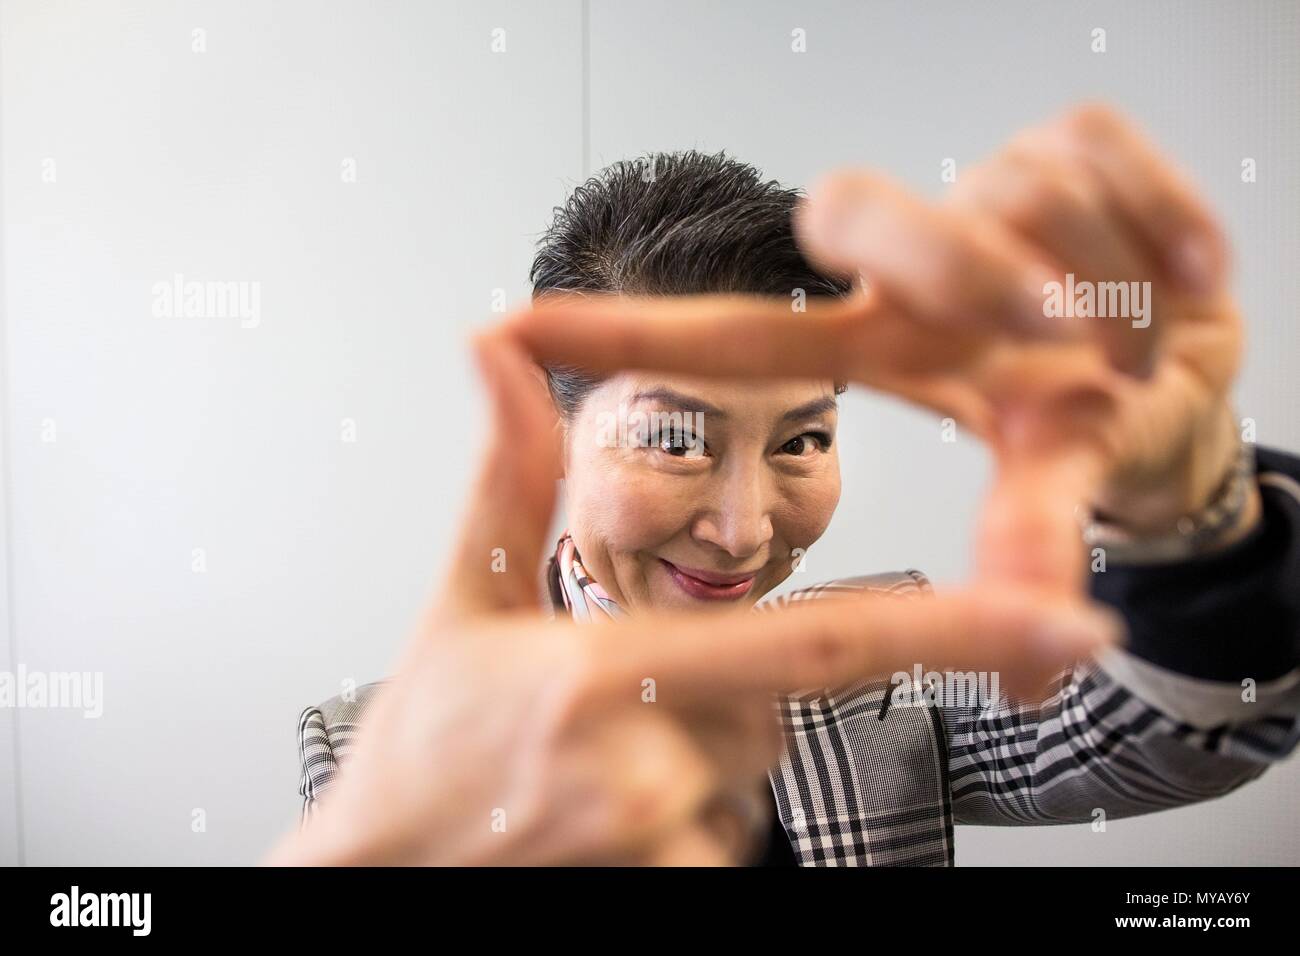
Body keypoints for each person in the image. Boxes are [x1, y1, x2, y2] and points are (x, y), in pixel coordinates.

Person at [281, 104, 1300, 866]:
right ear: (553, 431)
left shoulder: (887, 671)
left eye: (802, 441)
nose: (743, 529)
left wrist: (1187, 511)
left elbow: (1176, 735)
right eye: (676, 440)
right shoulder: (377, 747)